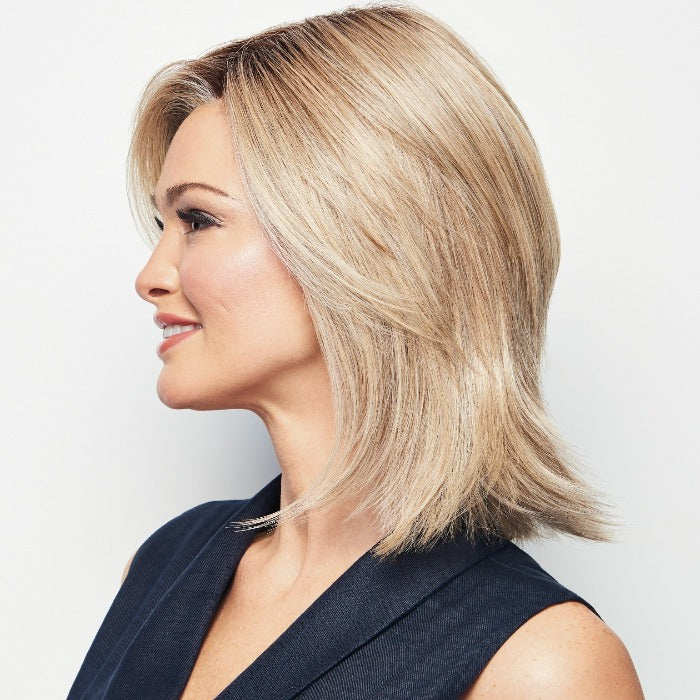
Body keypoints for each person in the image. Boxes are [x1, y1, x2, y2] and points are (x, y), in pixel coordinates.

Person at [68, 3, 645, 698]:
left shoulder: (540, 665)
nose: (151, 276)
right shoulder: (164, 567)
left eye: (197, 219)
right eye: (163, 223)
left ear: (366, 242)